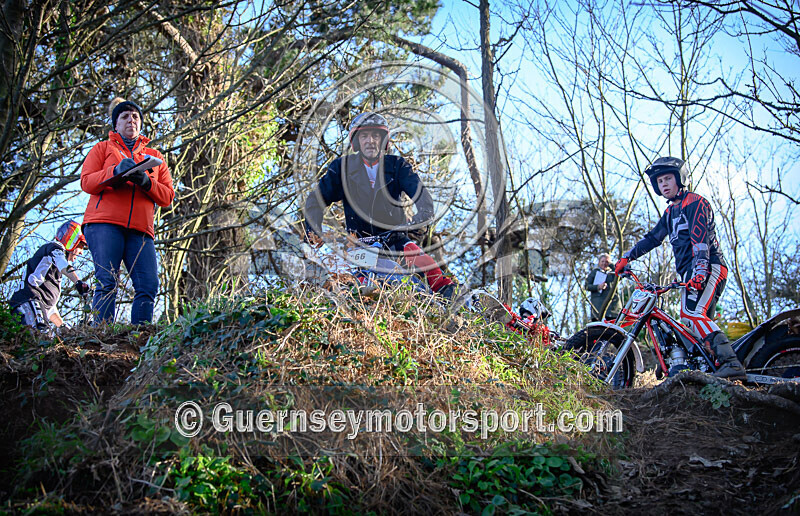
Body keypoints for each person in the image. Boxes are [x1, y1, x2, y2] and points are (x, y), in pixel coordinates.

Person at [615, 157, 745, 379]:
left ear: (680, 179)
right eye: (659, 181)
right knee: (688, 321)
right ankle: (697, 366)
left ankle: (731, 364)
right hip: (690, 273)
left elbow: (700, 241)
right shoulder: (670, 213)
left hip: (710, 267)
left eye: (668, 179)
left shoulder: (694, 203)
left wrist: (700, 272)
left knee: (693, 315)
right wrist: (627, 257)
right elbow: (653, 238)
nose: (664, 184)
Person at [303, 112, 456, 298]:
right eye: (364, 136)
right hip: (359, 243)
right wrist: (313, 234)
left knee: (426, 264)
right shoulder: (341, 168)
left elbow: (420, 193)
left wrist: (421, 216)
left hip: (395, 238)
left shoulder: (397, 165)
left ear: (383, 140)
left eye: (375, 135)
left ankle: (452, 300)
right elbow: (315, 200)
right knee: (355, 279)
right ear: (356, 141)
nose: (370, 141)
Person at [80, 98, 174, 325]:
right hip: (104, 223)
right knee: (107, 281)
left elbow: (168, 197)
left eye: (135, 117)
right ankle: (100, 336)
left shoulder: (155, 157)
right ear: (115, 124)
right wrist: (114, 172)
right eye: (124, 116)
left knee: (148, 285)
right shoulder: (102, 148)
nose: (131, 120)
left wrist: (146, 182)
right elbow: (86, 182)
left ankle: (140, 340)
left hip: (141, 230)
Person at [8, 221, 91, 332]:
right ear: (72, 241)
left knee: (45, 337)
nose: (81, 253)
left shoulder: (53, 273)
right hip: (28, 300)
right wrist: (78, 282)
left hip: (34, 303)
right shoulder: (54, 248)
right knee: (39, 335)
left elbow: (50, 308)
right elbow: (63, 264)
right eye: (81, 246)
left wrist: (63, 327)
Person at [585, 252, 621, 321]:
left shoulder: (613, 274)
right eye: (602, 261)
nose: (604, 263)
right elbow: (587, 286)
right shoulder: (594, 273)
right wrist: (597, 287)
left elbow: (619, 272)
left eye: (607, 262)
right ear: (599, 262)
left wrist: (611, 265)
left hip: (613, 309)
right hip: (598, 308)